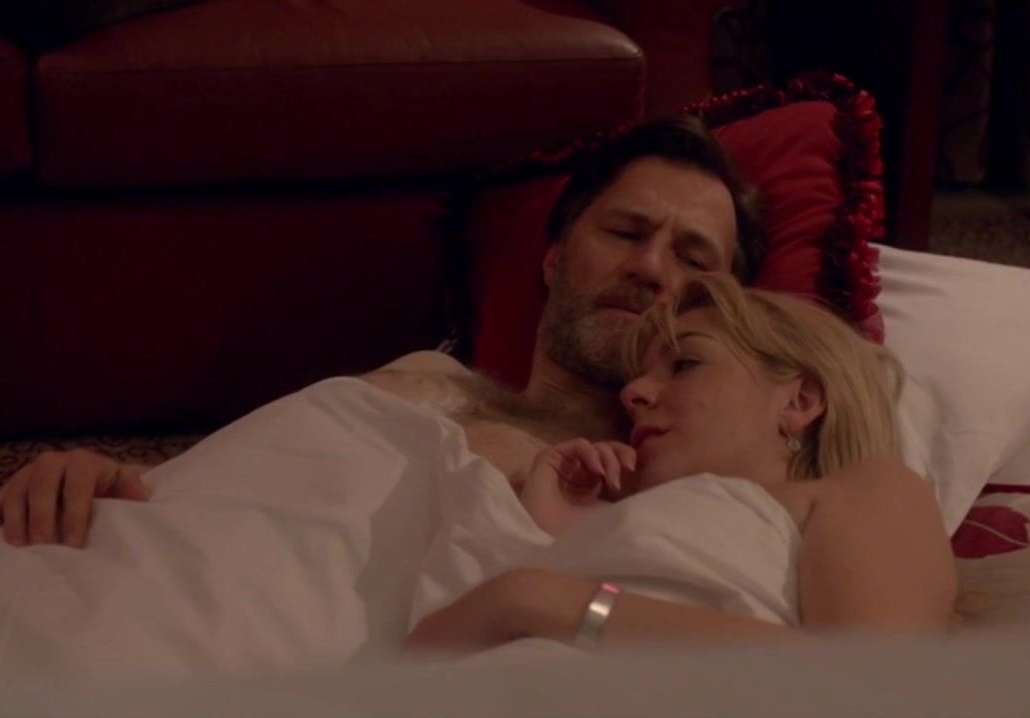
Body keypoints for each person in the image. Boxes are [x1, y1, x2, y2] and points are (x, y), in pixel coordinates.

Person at [0, 114, 770, 547]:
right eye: (626, 232)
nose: (651, 268)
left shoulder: (680, 483)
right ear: (554, 258)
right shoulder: (424, 375)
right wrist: (98, 474)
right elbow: (217, 486)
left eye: (692, 258)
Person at [404, 273, 953, 653]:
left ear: (800, 401)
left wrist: (543, 600)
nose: (634, 394)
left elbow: (873, 685)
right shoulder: (583, 531)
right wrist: (555, 536)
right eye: (637, 379)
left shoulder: (868, 490)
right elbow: (412, 666)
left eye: (686, 364)